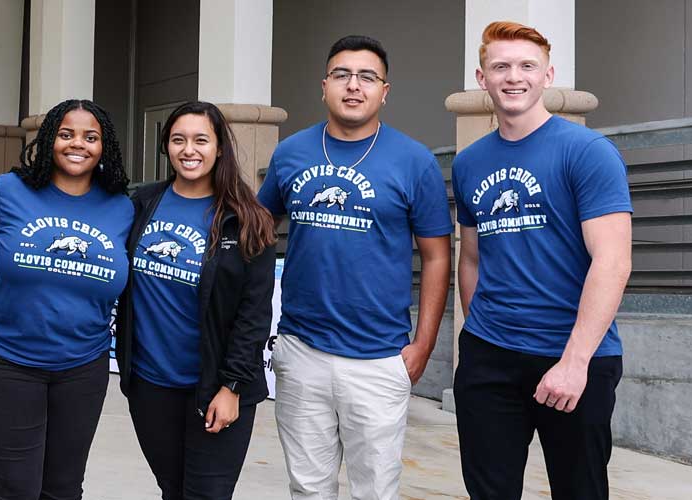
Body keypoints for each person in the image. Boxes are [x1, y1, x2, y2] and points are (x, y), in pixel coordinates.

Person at [256, 35, 452, 500]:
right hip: (302, 350)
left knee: (375, 491)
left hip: (380, 357)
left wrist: (423, 345)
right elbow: (256, 229)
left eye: (367, 77)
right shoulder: (291, 153)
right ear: (324, 86)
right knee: (308, 487)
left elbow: (437, 255)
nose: (353, 86)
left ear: (384, 91)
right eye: (342, 75)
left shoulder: (415, 161)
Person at [452, 21, 633, 500]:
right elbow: (470, 259)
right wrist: (480, 336)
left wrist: (574, 363)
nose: (514, 77)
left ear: (548, 75)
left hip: (575, 356)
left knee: (580, 491)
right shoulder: (468, 163)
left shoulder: (588, 153)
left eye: (527, 66)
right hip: (490, 359)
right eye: (501, 66)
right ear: (482, 76)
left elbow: (613, 262)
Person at [0, 99, 133, 500]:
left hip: (84, 365)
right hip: (10, 360)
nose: (78, 144)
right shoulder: (9, 190)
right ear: (50, 139)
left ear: (104, 146)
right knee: (17, 488)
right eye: (66, 134)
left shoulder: (122, 207)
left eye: (91, 137)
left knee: (64, 488)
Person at [115, 101, 276, 499]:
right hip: (151, 384)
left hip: (216, 388)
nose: (189, 150)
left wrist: (232, 387)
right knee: (172, 489)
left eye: (201, 140)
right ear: (167, 147)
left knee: (206, 494)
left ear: (220, 147)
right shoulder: (141, 205)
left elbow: (253, 315)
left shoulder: (248, 219)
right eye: (178, 140)